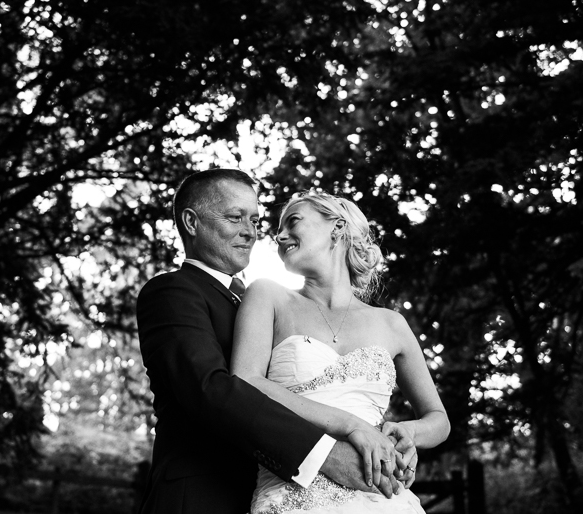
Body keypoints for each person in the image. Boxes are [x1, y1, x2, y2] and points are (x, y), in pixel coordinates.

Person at [135, 170, 412, 514]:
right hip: (203, 497)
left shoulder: (259, 304)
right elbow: (210, 390)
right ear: (191, 222)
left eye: (254, 219)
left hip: (277, 494)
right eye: (235, 217)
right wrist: (325, 453)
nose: (250, 231)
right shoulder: (172, 292)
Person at [232, 190, 450, 513]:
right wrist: (352, 425)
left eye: (293, 221)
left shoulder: (392, 325)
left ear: (336, 228)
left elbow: (439, 420)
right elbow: (244, 381)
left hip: (382, 497)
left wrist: (408, 432)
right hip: (292, 497)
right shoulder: (268, 296)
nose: (279, 236)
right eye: (279, 229)